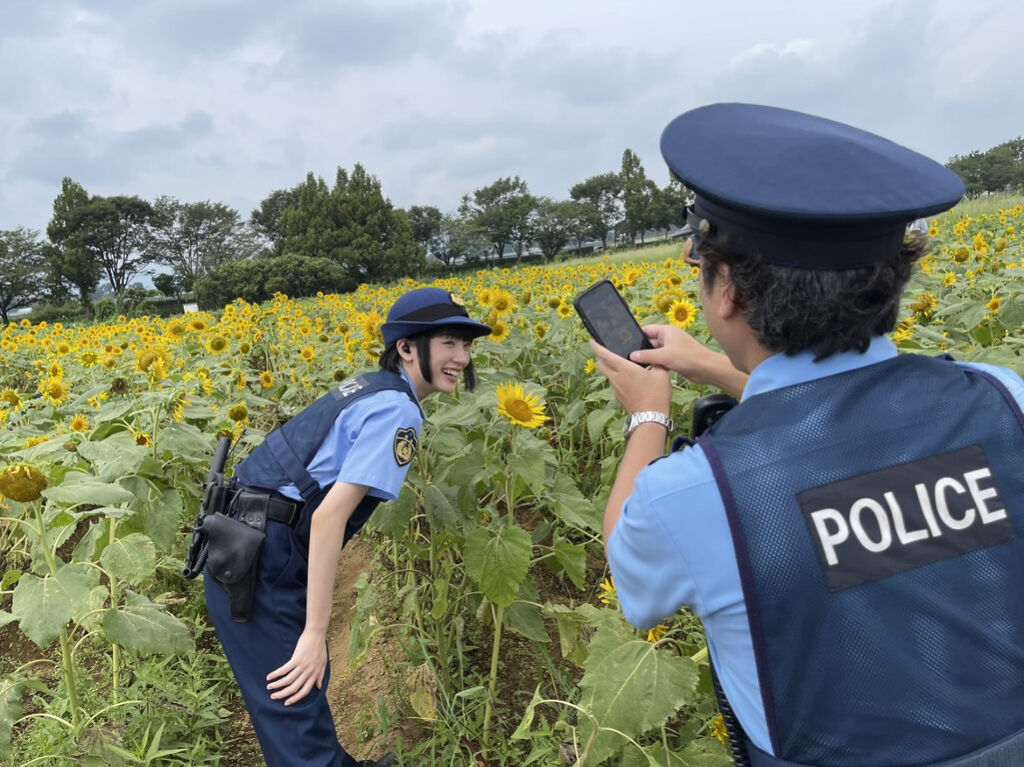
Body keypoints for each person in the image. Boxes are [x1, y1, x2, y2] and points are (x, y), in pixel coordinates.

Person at [591, 103, 1024, 767]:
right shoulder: (1001, 397)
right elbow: (839, 425)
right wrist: (716, 367)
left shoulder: (696, 494)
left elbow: (630, 570)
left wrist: (648, 415)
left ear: (730, 293)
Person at [202, 287, 491, 767]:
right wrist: (316, 632)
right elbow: (328, 517)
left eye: (465, 345)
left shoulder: (374, 387)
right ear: (406, 347)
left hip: (246, 542)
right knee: (294, 703)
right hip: (264, 555)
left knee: (296, 702)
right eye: (448, 343)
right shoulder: (397, 410)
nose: (461, 357)